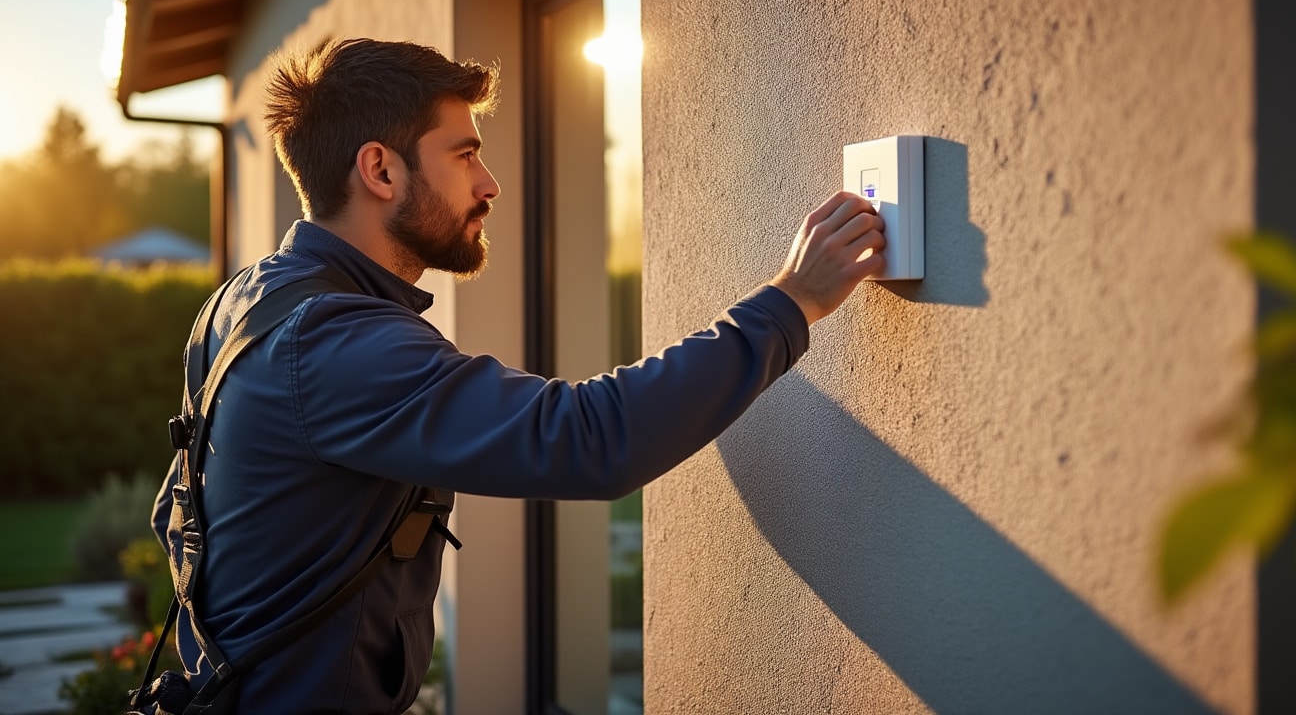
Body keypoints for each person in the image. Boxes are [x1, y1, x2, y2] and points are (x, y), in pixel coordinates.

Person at [151, 37, 885, 712]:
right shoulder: (333, 342)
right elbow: (588, 439)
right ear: (380, 169)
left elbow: (177, 513)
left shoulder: (246, 300)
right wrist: (792, 303)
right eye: (465, 154)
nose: (490, 182)